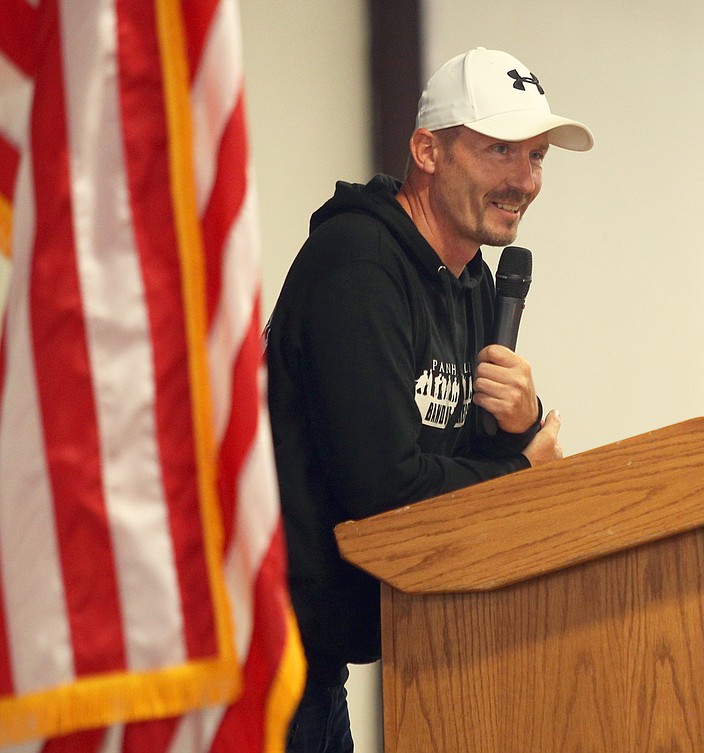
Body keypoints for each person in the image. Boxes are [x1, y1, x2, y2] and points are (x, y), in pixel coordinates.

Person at [265, 47, 593, 753]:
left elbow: (459, 472)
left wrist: (518, 427)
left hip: (320, 667)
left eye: (536, 156)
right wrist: (523, 470)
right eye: (500, 150)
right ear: (427, 151)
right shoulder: (357, 263)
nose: (525, 180)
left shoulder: (472, 281)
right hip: (260, 660)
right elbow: (380, 485)